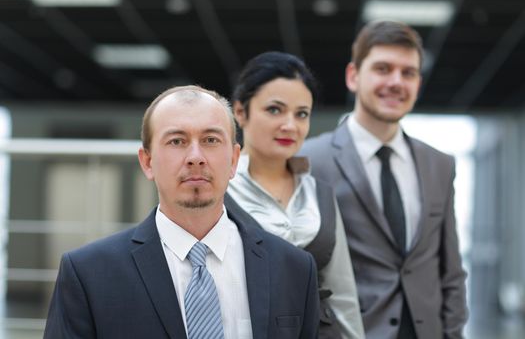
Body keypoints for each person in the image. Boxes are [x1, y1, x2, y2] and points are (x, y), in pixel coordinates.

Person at [44, 85, 320, 339]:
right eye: (177, 141)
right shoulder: (89, 275)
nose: (195, 156)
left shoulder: (294, 269)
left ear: (234, 160)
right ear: (148, 162)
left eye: (211, 140)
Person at [300, 21, 468, 339]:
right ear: (353, 76)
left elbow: (451, 271)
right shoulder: (309, 160)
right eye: (382, 68)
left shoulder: (439, 164)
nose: (396, 82)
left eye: (408, 73)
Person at [226, 51, 364, 339]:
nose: (290, 125)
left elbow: (342, 293)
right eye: (275, 110)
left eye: (301, 114)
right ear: (240, 112)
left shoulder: (320, 194)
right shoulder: (219, 192)